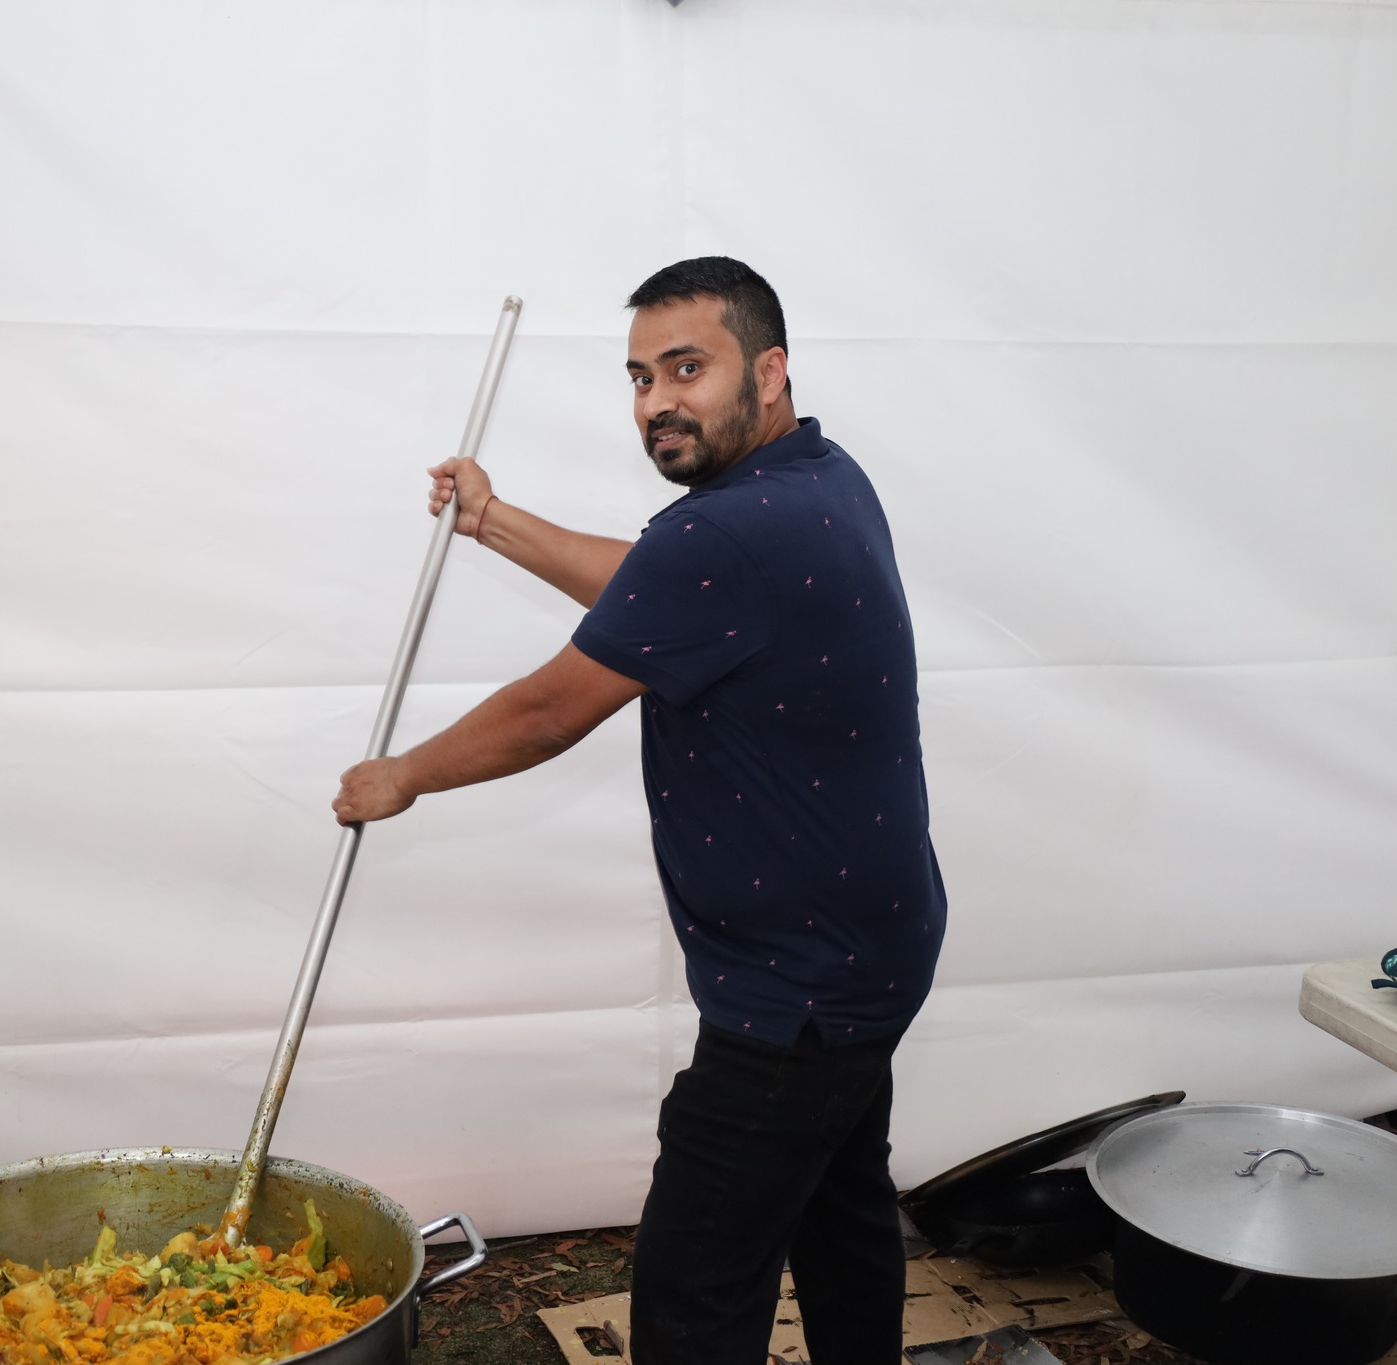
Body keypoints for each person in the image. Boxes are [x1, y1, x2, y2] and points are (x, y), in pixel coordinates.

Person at [332, 256, 946, 1365]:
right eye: (638, 376)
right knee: (839, 1201)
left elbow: (547, 712)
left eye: (686, 368)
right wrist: (492, 520)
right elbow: (655, 585)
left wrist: (403, 774)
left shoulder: (725, 533)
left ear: (768, 370)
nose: (657, 400)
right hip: (871, 947)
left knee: (695, 1283)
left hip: (797, 987)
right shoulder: (817, 477)